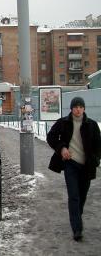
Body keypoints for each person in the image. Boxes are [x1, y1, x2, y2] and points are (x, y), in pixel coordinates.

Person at [46, 97, 101, 241]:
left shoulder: (92, 125)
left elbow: (98, 145)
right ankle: (77, 228)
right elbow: (51, 137)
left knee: (82, 196)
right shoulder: (63, 122)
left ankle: (76, 216)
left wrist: (95, 159)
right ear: (71, 109)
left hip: (86, 166)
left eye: (80, 107)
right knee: (74, 196)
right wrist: (62, 148)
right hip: (70, 164)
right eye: (75, 107)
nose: (78, 109)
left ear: (84, 109)